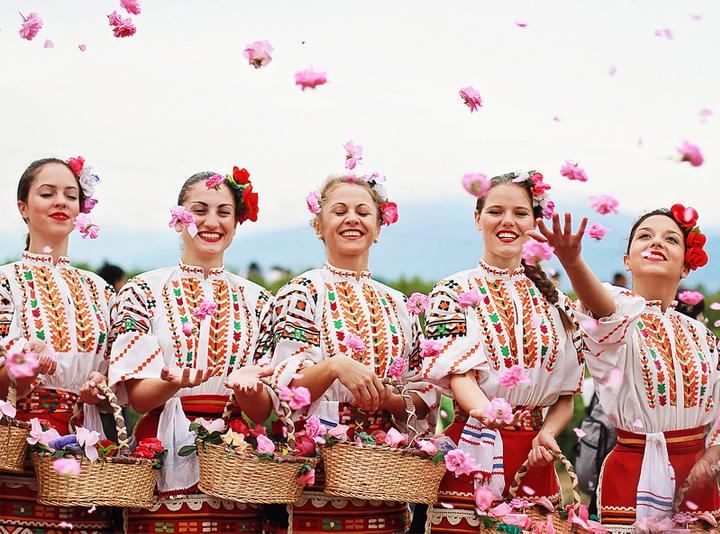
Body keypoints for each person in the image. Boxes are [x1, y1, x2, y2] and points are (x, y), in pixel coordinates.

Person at [108, 168, 275, 533]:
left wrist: (249, 391)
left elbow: (263, 413)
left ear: (237, 221)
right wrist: (173, 383)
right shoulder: (142, 292)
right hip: (160, 451)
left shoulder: (260, 301)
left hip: (234, 459)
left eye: (223, 212)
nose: (211, 222)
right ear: (178, 216)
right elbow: (137, 399)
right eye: (199, 210)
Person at [531, 205, 718, 530]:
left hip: (699, 477)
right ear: (627, 261)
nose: (657, 242)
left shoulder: (702, 336)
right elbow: (604, 308)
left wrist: (711, 460)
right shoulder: (620, 317)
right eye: (645, 236)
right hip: (634, 472)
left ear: (686, 265)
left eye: (670, 239)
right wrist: (573, 261)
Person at [269, 174, 437, 533]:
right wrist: (334, 366)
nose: (352, 219)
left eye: (363, 211)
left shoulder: (399, 304)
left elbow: (424, 390)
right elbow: (284, 390)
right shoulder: (301, 293)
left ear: (378, 227)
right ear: (319, 226)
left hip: (382, 477)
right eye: (339, 211)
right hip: (312, 473)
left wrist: (386, 400)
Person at [421, 171, 584, 532]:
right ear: (477, 219)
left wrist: (549, 435)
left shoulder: (556, 299)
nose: (507, 221)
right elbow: (459, 372)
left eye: (520, 213)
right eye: (495, 211)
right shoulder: (452, 291)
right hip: (472, 450)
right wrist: (485, 412)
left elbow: (566, 394)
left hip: (534, 458)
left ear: (535, 223)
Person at [0, 157, 116, 532]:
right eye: (47, 193)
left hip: (84, 448)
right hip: (12, 448)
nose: (61, 203)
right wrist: (21, 367)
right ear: (23, 207)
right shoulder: (5, 283)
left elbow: (118, 379)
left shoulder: (101, 291)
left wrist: (101, 387)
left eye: (70, 195)